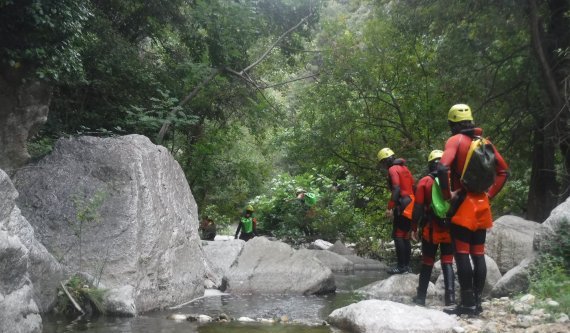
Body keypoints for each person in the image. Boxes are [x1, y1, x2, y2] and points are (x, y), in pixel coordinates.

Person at [437, 104, 509, 315]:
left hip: (463, 206)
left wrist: (446, 195)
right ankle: (477, 302)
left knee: (461, 253)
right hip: (482, 206)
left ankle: (467, 303)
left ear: (452, 124)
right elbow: (504, 171)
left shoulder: (455, 140)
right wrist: (489, 195)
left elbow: (442, 167)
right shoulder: (485, 143)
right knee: (478, 254)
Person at [411, 150, 455, 306]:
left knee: (428, 261)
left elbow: (417, 208)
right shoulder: (453, 180)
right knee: (448, 261)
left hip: (432, 228)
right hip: (450, 227)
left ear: (430, 165)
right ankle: (450, 299)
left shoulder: (425, 182)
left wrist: (414, 227)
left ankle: (421, 297)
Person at [377, 147, 415, 274]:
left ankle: (401, 266)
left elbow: (396, 188)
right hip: (411, 201)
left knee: (398, 235)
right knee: (405, 236)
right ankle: (407, 266)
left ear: (385, 161)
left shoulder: (393, 169)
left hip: (403, 203)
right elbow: (413, 186)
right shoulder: (405, 168)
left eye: (382, 163)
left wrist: (390, 207)